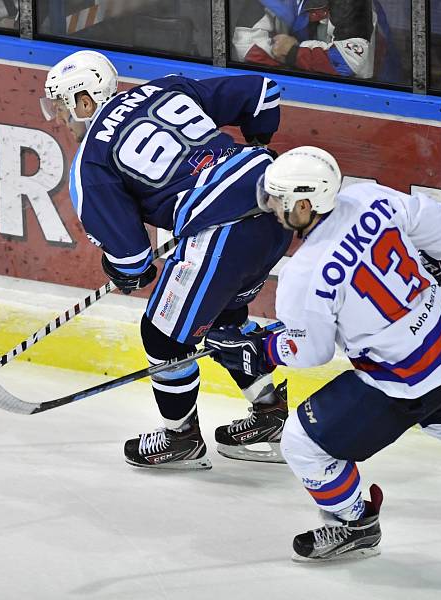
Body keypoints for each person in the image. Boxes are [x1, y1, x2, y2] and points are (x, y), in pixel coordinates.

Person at [206, 146, 441, 561]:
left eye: (279, 200)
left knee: (303, 443)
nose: (272, 207)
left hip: (403, 379)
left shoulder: (304, 274)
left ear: (305, 203)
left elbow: (310, 351)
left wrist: (262, 350)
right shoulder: (370, 198)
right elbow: (436, 220)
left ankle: (355, 524)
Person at [42, 51, 293, 470]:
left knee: (162, 335)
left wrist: (119, 272)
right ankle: (269, 413)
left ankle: (181, 438)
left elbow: (135, 262)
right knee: (225, 319)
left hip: (222, 229)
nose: (60, 120)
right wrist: (252, 153)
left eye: (62, 107)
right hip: (275, 203)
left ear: (85, 101)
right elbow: (264, 93)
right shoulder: (163, 86)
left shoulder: (90, 163)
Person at [231, 0, 399, 81]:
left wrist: (292, 53)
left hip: (367, 92)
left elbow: (347, 63)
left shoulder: (354, 3)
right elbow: (246, 47)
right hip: (288, 86)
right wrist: (297, 62)